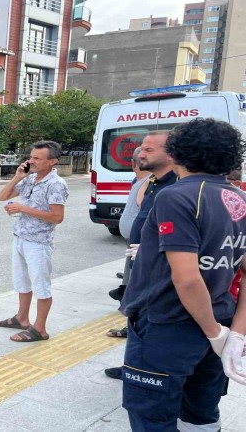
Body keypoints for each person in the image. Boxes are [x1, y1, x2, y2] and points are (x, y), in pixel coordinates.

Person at [120, 118, 246, 430]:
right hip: (220, 319)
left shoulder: (176, 195)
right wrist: (234, 334)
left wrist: (215, 334)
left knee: (152, 415)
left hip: (168, 324)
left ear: (176, 153)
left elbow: (188, 278)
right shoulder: (240, 199)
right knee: (201, 412)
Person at [104, 130, 177, 378]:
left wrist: (150, 251)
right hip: (141, 262)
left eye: (148, 150)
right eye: (142, 148)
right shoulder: (154, 182)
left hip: (156, 267)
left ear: (171, 154)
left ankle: (144, 371)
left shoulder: (175, 187)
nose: (140, 154)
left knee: (149, 318)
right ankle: (134, 366)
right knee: (137, 316)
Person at [0, 141, 69, 342]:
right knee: (22, 282)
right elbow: (2, 196)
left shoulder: (55, 184)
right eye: (31, 157)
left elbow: (57, 217)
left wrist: (22, 208)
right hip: (21, 237)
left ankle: (39, 329)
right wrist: (18, 176)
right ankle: (22, 318)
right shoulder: (30, 178)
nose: (32, 161)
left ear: (52, 161)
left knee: (41, 286)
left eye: (37, 158)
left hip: (39, 242)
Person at [111, 147, 151, 287]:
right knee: (130, 271)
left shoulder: (150, 182)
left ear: (133, 163)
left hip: (139, 239)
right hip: (133, 237)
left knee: (135, 274)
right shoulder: (137, 180)